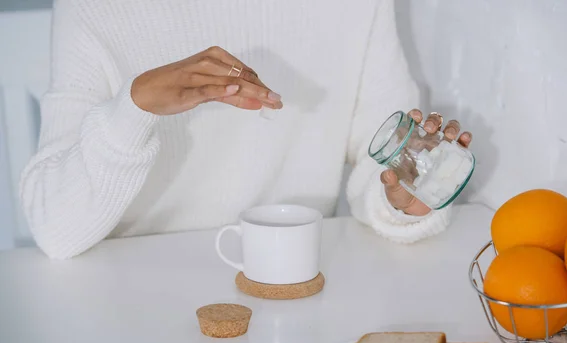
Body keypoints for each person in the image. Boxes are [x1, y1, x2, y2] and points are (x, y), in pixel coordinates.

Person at [20, 0, 472, 259]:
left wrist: (402, 201)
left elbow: (381, 161)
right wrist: (134, 106)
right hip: (127, 307)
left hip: (297, 292)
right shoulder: (94, 9)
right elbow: (56, 228)